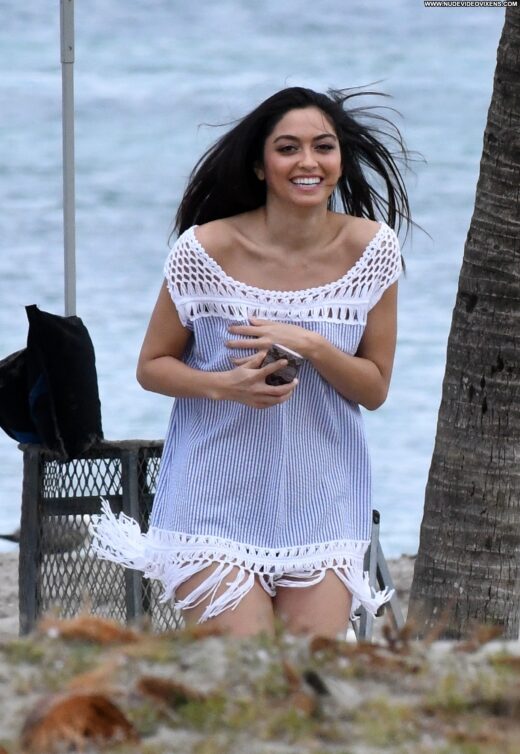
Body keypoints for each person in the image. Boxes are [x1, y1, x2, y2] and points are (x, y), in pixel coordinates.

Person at [93, 86, 412, 639]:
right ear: (261, 166)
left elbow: (375, 387)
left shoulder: (372, 250)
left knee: (306, 679)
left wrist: (312, 345)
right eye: (288, 148)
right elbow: (152, 365)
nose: (308, 162)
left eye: (323, 147)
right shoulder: (204, 250)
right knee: (244, 673)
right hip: (212, 502)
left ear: (340, 161)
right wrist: (226, 386)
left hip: (323, 503)